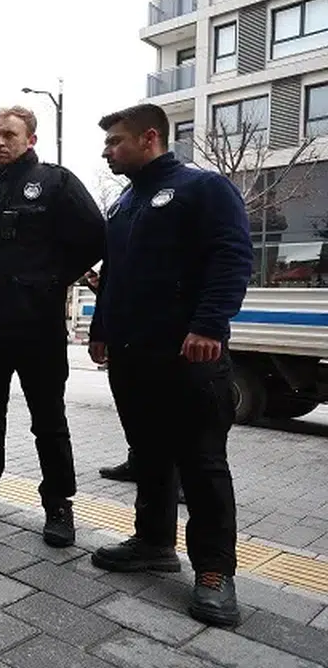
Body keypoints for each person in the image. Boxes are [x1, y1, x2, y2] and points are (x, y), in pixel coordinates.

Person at [88, 103, 252, 627]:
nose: (107, 151)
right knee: (150, 456)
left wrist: (209, 325)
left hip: (187, 355)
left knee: (202, 463)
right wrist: (100, 329)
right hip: (133, 356)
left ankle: (214, 572)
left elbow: (231, 256)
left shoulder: (203, 189)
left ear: (149, 137)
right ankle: (153, 543)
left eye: (115, 141)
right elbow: (114, 273)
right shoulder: (123, 204)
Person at [0, 106, 105, 548]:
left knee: (48, 419)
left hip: (37, 325)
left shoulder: (56, 183)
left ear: (30, 140)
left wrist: (55, 277)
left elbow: (95, 235)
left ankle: (58, 504)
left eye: (9, 135)